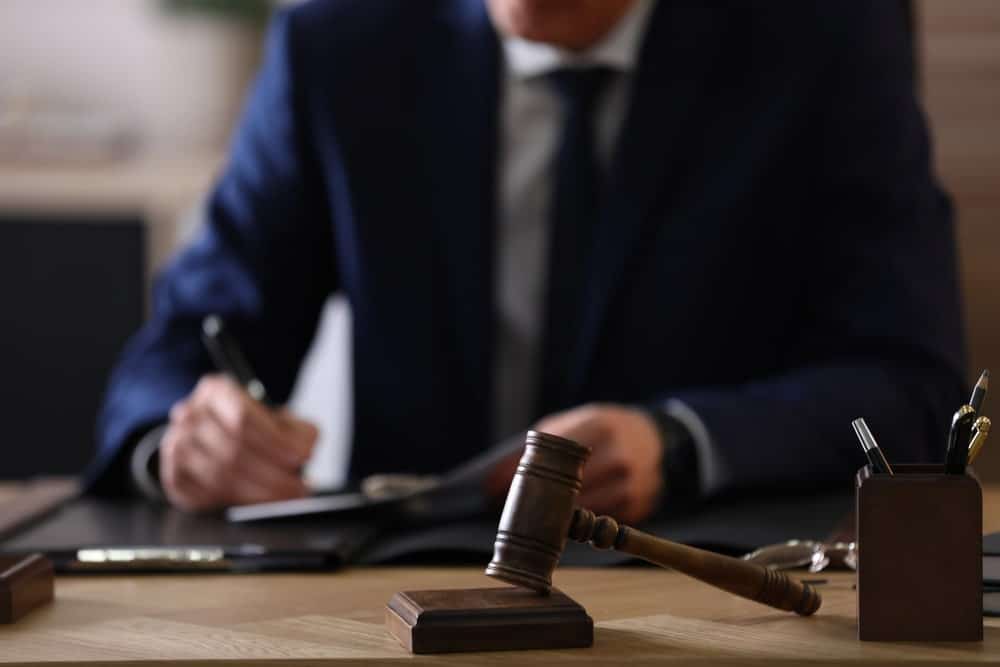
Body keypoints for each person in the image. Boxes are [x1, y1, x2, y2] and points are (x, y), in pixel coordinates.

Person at [90, 0, 966, 524]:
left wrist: (681, 442)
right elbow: (180, 349)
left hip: (709, 585)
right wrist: (185, 438)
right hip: (399, 596)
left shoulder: (825, 40)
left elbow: (910, 386)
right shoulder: (338, 48)